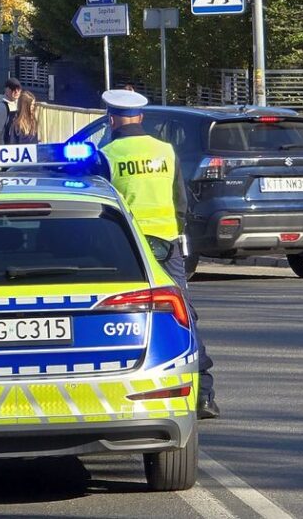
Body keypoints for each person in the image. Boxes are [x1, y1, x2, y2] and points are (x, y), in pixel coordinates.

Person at [97, 89, 219, 420]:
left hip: (128, 251)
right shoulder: (165, 150)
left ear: (111, 119)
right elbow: (180, 203)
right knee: (182, 316)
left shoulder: (106, 153)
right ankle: (204, 393)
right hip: (168, 247)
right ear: (140, 117)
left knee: (122, 318)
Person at [0, 78, 22, 145]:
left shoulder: (21, 104)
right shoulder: (1, 107)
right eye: (13, 89)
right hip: (4, 147)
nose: (16, 92)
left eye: (18, 89)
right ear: (6, 90)